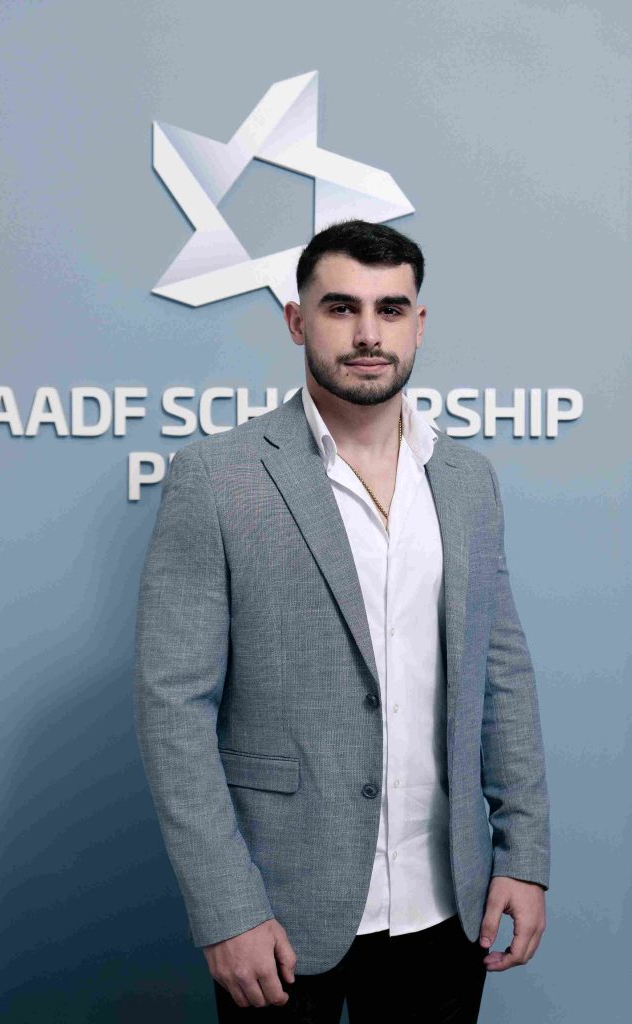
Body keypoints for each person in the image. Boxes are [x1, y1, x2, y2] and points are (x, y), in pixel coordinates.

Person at [133, 219, 550, 1022]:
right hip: (279, 913)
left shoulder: (467, 481)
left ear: (417, 325)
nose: (367, 334)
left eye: (389, 309)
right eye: (340, 308)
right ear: (297, 321)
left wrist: (522, 855)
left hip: (446, 906)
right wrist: (226, 908)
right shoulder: (215, 478)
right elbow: (171, 708)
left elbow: (501, 676)